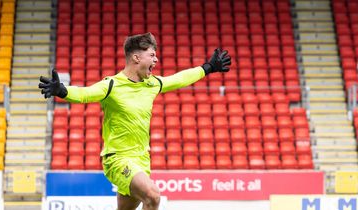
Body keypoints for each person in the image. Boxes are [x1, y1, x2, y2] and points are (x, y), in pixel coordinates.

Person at [38, 32, 231, 210]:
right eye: (152, 55)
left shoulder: (152, 84)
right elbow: (85, 94)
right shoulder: (111, 84)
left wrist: (207, 68)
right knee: (153, 196)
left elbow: (179, 79)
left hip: (142, 159)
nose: (156, 59)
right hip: (118, 159)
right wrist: (62, 91)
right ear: (136, 58)